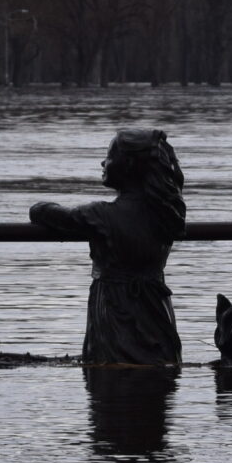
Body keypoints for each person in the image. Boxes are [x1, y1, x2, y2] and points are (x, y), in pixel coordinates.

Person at [29, 129, 184, 366]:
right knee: (157, 384)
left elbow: (41, 212)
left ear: (129, 165)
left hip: (115, 316)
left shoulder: (99, 216)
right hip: (157, 311)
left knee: (111, 382)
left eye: (109, 156)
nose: (103, 162)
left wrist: (40, 205)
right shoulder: (166, 215)